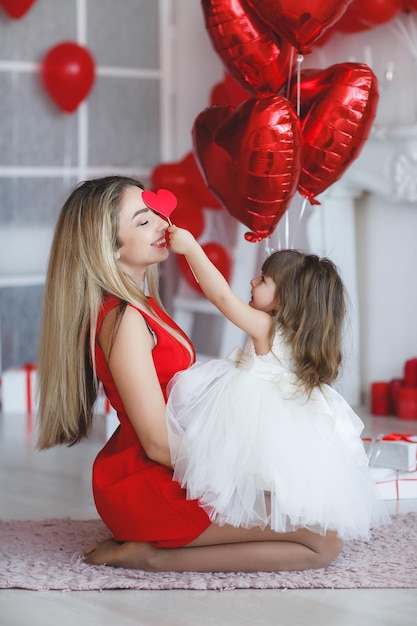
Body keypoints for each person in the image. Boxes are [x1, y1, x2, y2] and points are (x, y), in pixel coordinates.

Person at [36, 175, 354, 573]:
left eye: (155, 212)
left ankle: (161, 546)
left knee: (320, 520)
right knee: (323, 541)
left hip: (175, 469)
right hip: (150, 483)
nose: (161, 223)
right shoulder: (124, 320)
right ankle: (152, 556)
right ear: (110, 247)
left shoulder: (143, 305)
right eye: (142, 220)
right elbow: (155, 442)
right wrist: (232, 474)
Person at [166, 226, 390, 540]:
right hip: (288, 411)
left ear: (283, 299)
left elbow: (221, 297)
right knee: (276, 472)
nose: (252, 282)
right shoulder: (301, 336)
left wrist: (191, 249)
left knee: (242, 464)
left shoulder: (265, 326)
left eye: (262, 280)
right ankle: (276, 522)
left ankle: (246, 527)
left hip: (256, 409)